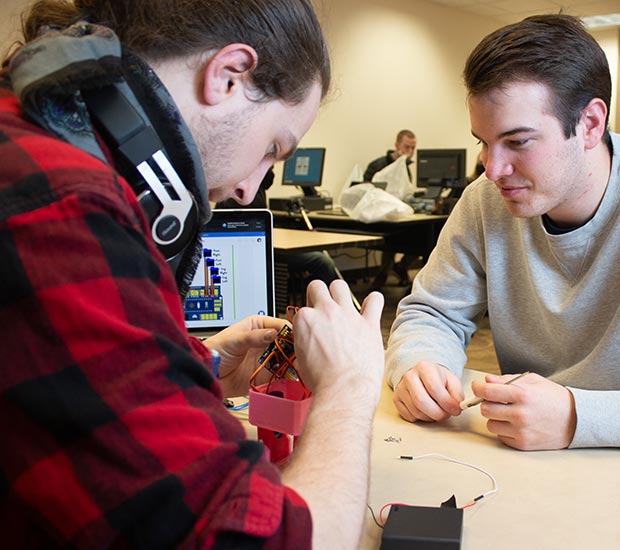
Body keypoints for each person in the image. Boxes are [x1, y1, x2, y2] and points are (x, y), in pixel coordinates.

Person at [0, 1, 385, 548]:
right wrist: (351, 386)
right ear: (229, 76)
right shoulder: (65, 208)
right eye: (273, 148)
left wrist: (195, 361)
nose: (252, 189)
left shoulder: (33, 134)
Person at [386, 14, 620, 453]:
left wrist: (578, 417)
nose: (492, 169)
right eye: (483, 141)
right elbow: (431, 314)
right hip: (526, 462)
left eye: (518, 142)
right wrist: (419, 363)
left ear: (590, 124)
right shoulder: (484, 201)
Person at [217, 168, 339, 287]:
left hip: (250, 250)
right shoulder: (249, 191)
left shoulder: (242, 183)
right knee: (322, 262)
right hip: (253, 253)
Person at [364, 129, 419, 288]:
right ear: (396, 145)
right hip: (378, 216)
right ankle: (383, 274)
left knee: (421, 235)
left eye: (413, 148)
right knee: (391, 240)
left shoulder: (405, 168)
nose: (410, 152)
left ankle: (401, 266)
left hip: (399, 215)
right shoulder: (378, 166)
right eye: (406, 147)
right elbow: (364, 190)